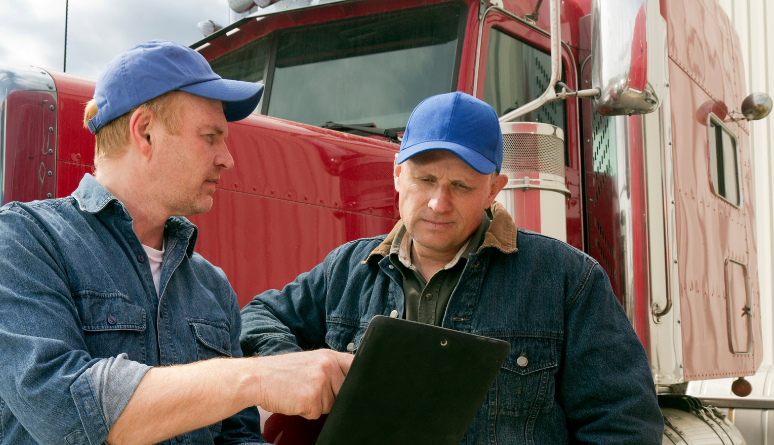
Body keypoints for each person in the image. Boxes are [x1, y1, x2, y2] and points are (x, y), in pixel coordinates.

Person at [0, 40, 353, 445]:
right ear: (145, 132)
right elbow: (67, 412)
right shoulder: (21, 243)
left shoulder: (210, 287)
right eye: (210, 136)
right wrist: (258, 376)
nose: (227, 158)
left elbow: (235, 438)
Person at [239, 92, 664, 444]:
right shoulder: (346, 269)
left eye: (461, 185)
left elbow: (624, 427)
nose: (439, 203)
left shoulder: (568, 280)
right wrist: (295, 368)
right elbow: (257, 318)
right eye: (425, 180)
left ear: (495, 189)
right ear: (397, 175)